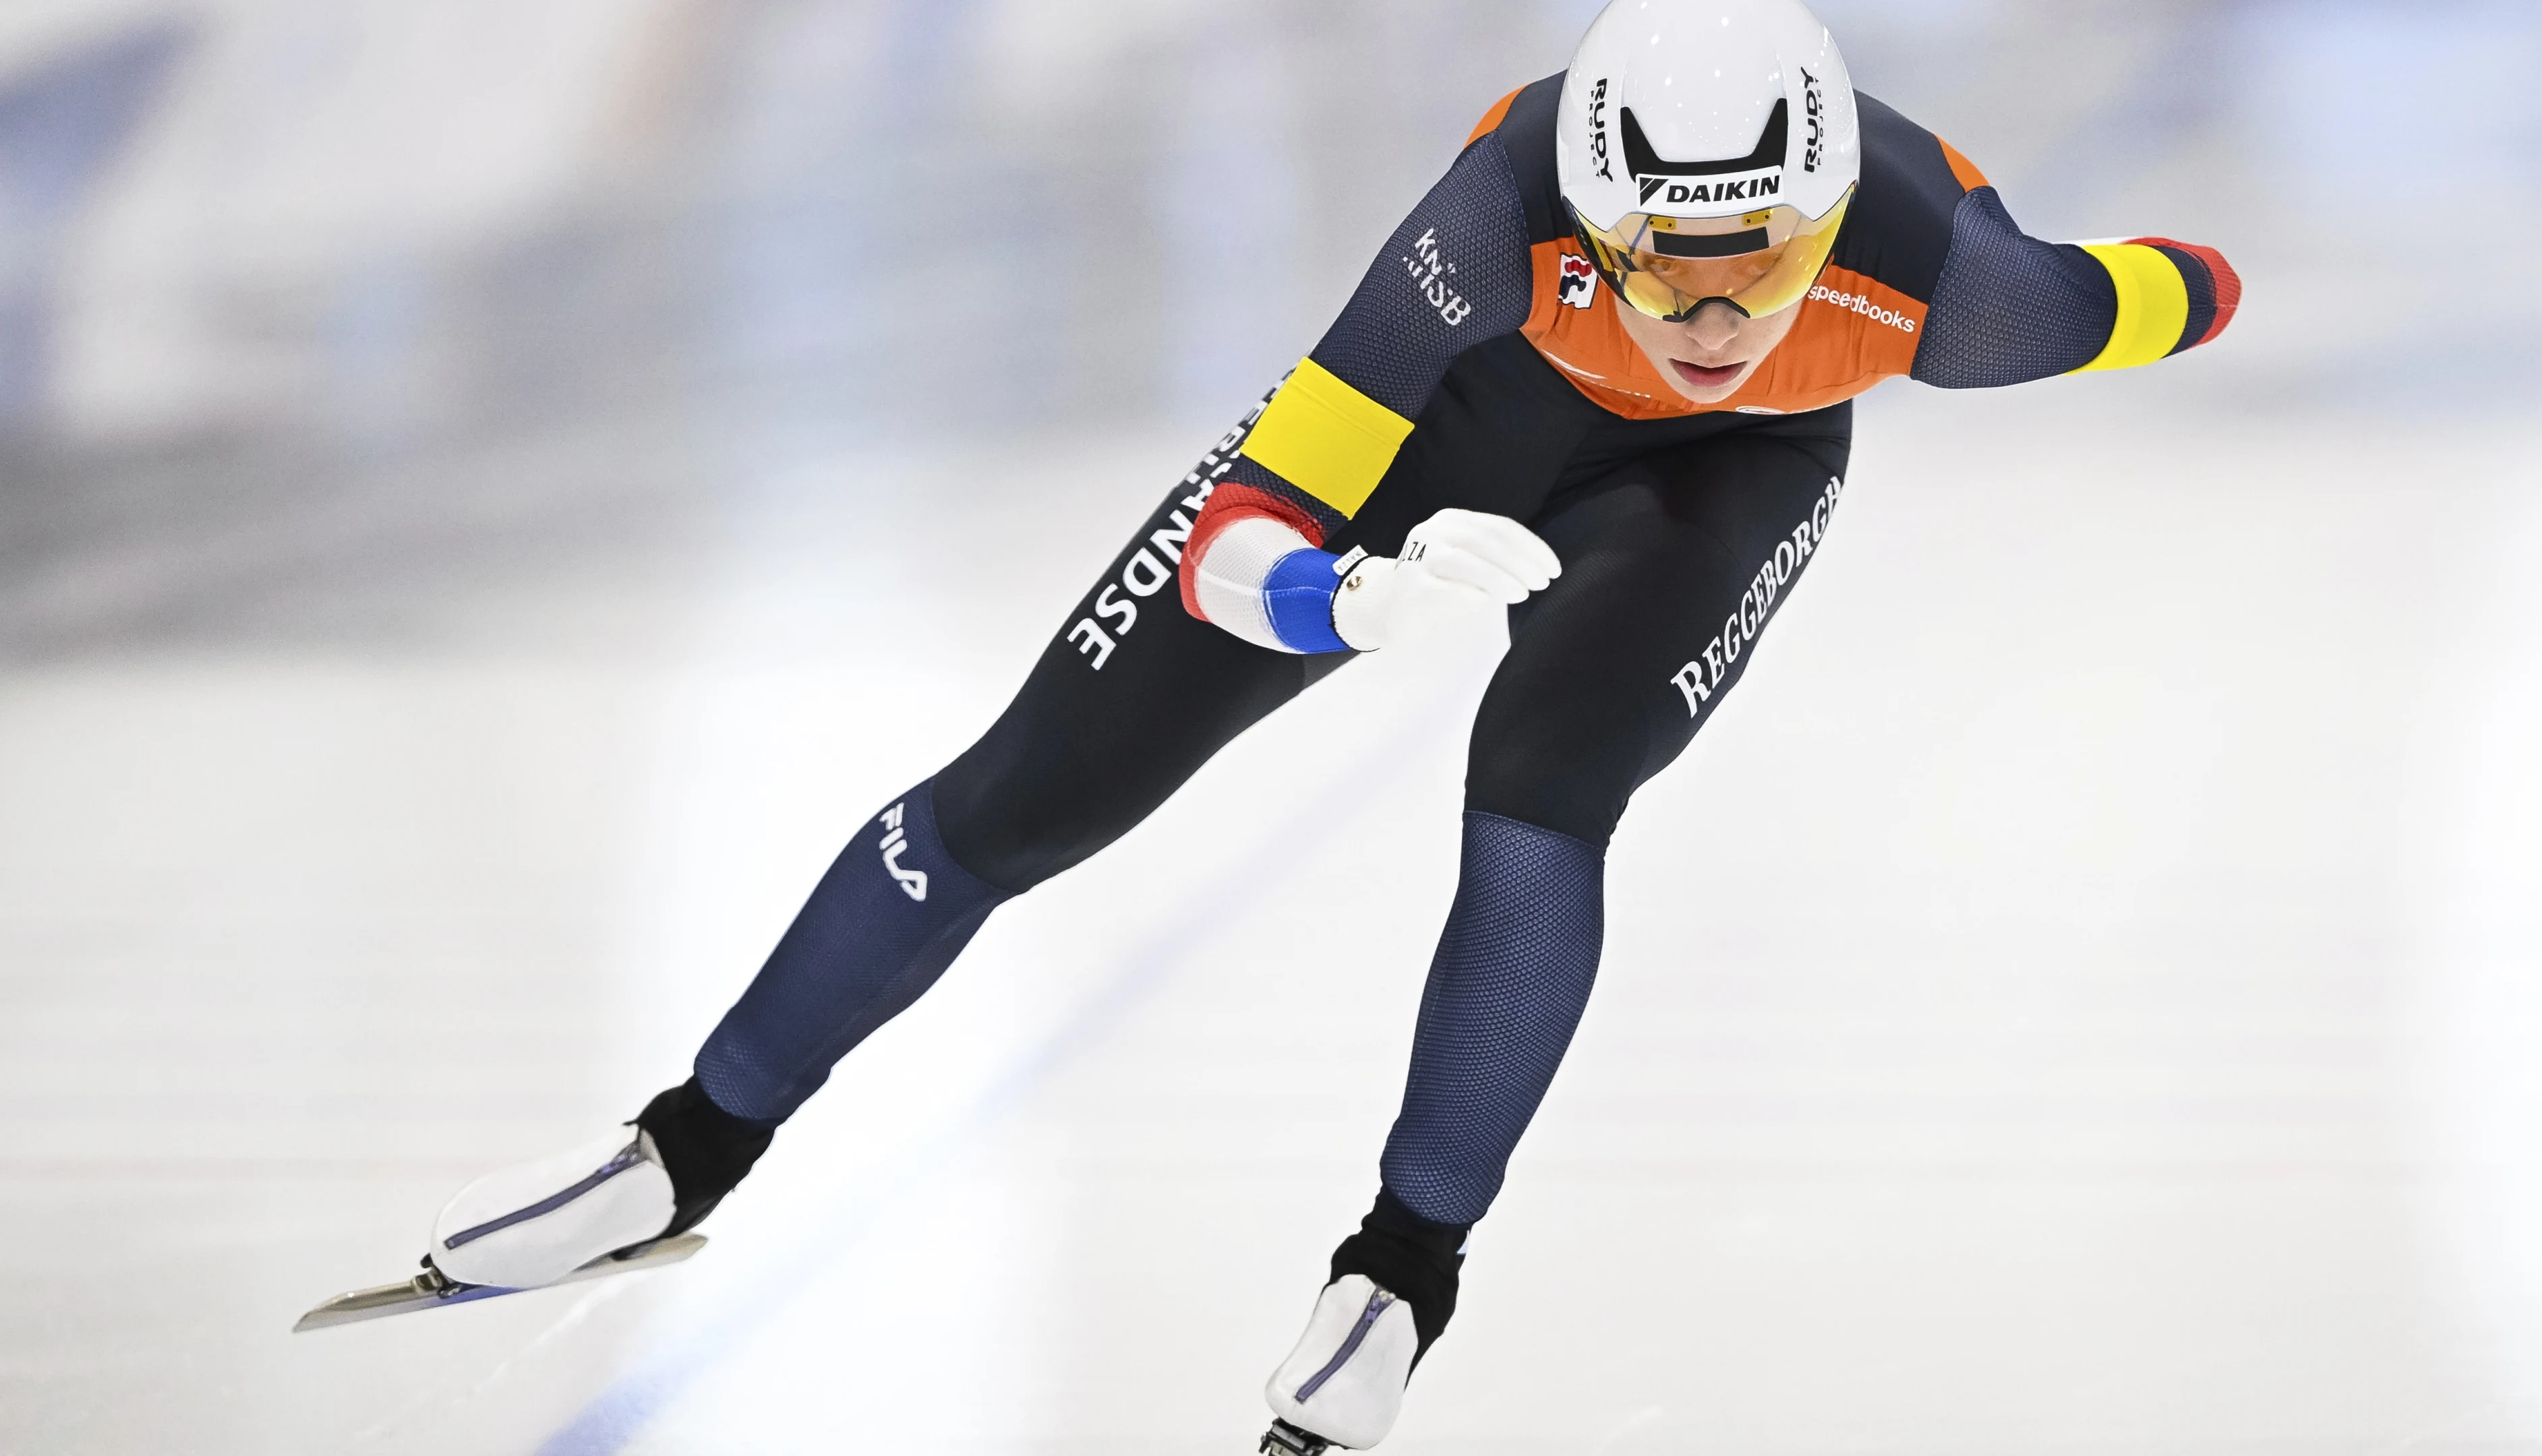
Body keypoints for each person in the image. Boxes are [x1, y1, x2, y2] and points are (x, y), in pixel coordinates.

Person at [414, 1, 2239, 1450]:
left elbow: (2164, 292)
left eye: (1754, 269)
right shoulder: (1484, 227)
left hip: (1724, 494)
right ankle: (688, 1149)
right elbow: (1244, 530)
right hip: (1448, 438)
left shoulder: (1964, 294)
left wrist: (2200, 278)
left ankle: (1401, 1271)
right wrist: (1339, 597)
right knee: (1029, 794)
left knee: (1543, 787)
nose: (1701, 314)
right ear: (1584, 217)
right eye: (1652, 262)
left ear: (1831, 231)